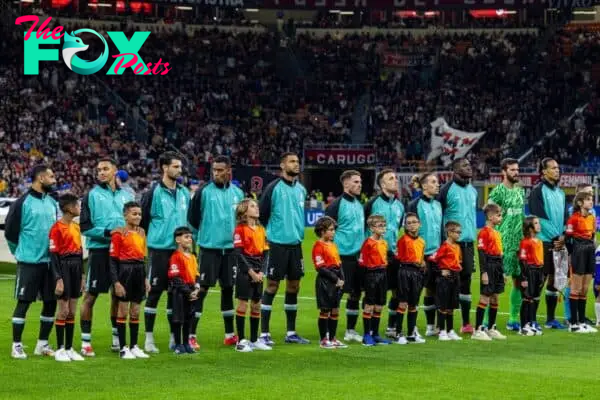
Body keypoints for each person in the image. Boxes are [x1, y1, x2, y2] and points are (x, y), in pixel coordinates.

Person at [80, 158, 135, 356]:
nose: (101, 172)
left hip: (123, 253)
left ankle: (116, 339)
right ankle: (86, 342)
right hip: (100, 251)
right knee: (90, 296)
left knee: (118, 295)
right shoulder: (91, 196)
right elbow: (85, 227)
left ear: (115, 171)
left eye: (105, 169)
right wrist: (108, 232)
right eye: (98, 169)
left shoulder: (127, 195)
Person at [188, 155, 244, 346]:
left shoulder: (238, 193)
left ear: (229, 170)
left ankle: (230, 335)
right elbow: (193, 220)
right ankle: (191, 335)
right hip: (209, 249)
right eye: (214, 170)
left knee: (228, 289)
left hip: (230, 251)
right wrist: (193, 248)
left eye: (221, 170)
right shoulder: (203, 192)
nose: (217, 173)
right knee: (201, 290)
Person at [6, 165, 59, 359]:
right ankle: (17, 345)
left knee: (50, 302)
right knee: (24, 302)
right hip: (29, 262)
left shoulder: (53, 203)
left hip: (50, 263)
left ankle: (42, 344)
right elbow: (11, 233)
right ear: (41, 178)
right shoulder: (22, 202)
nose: (54, 180)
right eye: (51, 176)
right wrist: (21, 254)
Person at [141, 151, 191, 353]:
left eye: (180, 167)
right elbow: (143, 222)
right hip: (159, 251)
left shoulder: (185, 193)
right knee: (154, 294)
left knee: (177, 295)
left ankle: (174, 337)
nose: (179, 170)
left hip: (179, 253)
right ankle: (149, 339)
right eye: (176, 166)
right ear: (164, 167)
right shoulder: (152, 193)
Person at [259, 153, 309, 345]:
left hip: (295, 246)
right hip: (277, 245)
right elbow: (262, 215)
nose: (296, 164)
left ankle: (291, 333)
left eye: (297, 161)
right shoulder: (273, 188)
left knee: (294, 286)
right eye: (292, 161)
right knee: (272, 286)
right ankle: (264, 333)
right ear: (282, 165)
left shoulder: (301, 190)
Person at [438, 158, 478, 334]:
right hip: (451, 245)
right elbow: (439, 217)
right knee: (448, 283)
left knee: (466, 282)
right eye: (464, 165)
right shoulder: (446, 190)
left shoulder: (473, 190)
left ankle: (466, 323)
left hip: (468, 244)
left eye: (469, 165)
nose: (469, 167)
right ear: (454, 169)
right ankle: (442, 325)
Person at [364, 169, 405, 339]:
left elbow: (398, 229)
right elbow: (363, 229)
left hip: (393, 255)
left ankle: (390, 327)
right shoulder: (372, 204)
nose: (395, 181)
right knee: (372, 294)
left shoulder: (400, 206)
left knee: (396, 292)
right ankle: (367, 331)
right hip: (375, 257)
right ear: (382, 184)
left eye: (396, 178)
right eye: (391, 178)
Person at [324, 170, 364, 343]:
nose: (359, 184)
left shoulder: (359, 204)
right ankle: (326, 331)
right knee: (335, 295)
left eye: (360, 181)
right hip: (341, 257)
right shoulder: (336, 205)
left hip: (358, 257)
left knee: (355, 294)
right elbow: (324, 232)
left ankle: (350, 330)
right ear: (346, 184)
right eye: (355, 182)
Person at [528, 158, 568, 330]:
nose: (557, 171)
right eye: (553, 168)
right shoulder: (537, 191)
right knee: (539, 280)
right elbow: (539, 218)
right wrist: (556, 237)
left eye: (558, 168)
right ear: (543, 171)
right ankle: (531, 319)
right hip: (543, 242)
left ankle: (551, 319)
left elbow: (566, 217)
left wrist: (564, 235)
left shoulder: (561, 193)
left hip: (558, 242)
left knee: (554, 281)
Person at [109, 202, 151, 359]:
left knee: (135, 311)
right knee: (123, 310)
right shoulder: (119, 233)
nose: (138, 217)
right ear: (125, 215)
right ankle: (123, 348)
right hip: (124, 271)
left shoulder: (142, 232)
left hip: (139, 271)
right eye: (134, 214)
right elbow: (112, 260)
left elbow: (144, 257)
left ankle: (134, 346)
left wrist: (146, 278)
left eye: (139, 214)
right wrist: (116, 282)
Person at [487, 158, 524, 332]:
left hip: (519, 243)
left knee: (518, 281)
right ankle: (487, 321)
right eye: (512, 170)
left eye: (517, 169)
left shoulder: (520, 191)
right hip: (501, 244)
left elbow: (521, 216)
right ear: (504, 171)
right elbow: (489, 215)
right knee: (495, 283)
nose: (516, 172)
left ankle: (513, 319)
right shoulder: (497, 193)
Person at [50, 193, 86, 362]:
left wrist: (83, 275)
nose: (80, 208)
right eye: (78, 205)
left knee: (72, 311)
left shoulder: (76, 227)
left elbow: (79, 253)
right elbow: (53, 256)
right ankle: (59, 349)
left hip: (76, 268)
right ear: (69, 208)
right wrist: (58, 278)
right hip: (63, 267)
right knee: (63, 310)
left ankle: (70, 348)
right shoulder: (56, 228)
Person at [233, 199, 272, 352]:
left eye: (256, 206)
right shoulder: (240, 230)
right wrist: (251, 272)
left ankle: (255, 340)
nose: (257, 208)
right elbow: (238, 253)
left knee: (256, 304)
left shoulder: (261, 229)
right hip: (245, 269)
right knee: (243, 303)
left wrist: (261, 271)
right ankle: (241, 341)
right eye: (253, 206)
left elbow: (266, 252)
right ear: (244, 211)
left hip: (258, 268)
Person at [408, 172, 442, 337]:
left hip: (437, 256)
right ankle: (411, 328)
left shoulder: (438, 205)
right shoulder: (414, 204)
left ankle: (430, 327)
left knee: (433, 291)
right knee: (415, 292)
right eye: (434, 182)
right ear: (424, 186)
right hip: (420, 256)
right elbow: (410, 232)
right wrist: (417, 256)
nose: (437, 185)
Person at [472, 204, 507, 341]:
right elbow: (482, 254)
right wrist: (484, 272)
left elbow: (500, 255)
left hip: (497, 266)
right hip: (489, 266)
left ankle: (491, 328)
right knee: (484, 297)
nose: (501, 217)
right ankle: (478, 329)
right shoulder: (483, 232)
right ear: (491, 216)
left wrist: (502, 272)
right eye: (499, 215)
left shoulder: (497, 233)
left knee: (495, 297)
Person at [312, 216, 347, 349]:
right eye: (331, 230)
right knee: (325, 310)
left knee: (335, 310)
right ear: (322, 231)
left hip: (337, 281)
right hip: (325, 282)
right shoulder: (318, 246)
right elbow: (320, 267)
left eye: (334, 230)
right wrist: (336, 279)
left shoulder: (333, 245)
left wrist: (342, 278)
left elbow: (339, 263)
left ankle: (332, 338)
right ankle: (323, 340)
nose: (333, 232)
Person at [565, 191, 597, 333]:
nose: (591, 202)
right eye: (588, 200)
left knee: (585, 289)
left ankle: (582, 322)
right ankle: (573, 324)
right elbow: (567, 239)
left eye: (592, 200)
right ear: (580, 203)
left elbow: (593, 235)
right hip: (578, 251)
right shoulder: (573, 219)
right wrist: (572, 255)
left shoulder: (592, 218)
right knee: (576, 288)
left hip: (590, 250)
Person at [358, 214, 392, 346]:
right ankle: (366, 335)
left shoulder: (384, 242)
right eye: (379, 226)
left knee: (379, 305)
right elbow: (362, 263)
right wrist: (363, 283)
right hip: (371, 275)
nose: (383, 228)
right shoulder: (368, 243)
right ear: (372, 228)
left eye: (384, 225)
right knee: (369, 305)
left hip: (382, 274)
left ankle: (375, 333)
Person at [394, 212, 426, 344]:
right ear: (405, 227)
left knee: (414, 304)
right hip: (405, 272)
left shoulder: (422, 241)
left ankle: (411, 333)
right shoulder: (403, 241)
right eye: (409, 223)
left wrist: (422, 264)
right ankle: (398, 333)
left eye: (414, 222)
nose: (412, 225)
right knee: (403, 303)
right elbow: (399, 258)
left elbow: (421, 257)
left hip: (417, 273)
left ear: (420, 224)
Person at [168, 227, 200, 354]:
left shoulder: (192, 256)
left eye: (190, 237)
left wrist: (196, 288)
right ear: (178, 240)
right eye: (186, 237)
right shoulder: (176, 257)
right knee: (178, 318)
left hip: (191, 290)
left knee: (188, 318)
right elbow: (175, 277)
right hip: (180, 291)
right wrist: (188, 292)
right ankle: (177, 344)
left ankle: (186, 343)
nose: (189, 239)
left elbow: (196, 274)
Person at [430, 221, 463, 342]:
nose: (459, 234)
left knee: (451, 306)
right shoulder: (444, 247)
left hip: (455, 278)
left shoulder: (457, 247)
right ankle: (442, 331)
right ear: (449, 232)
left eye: (460, 232)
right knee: (443, 305)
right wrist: (440, 272)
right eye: (457, 232)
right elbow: (433, 261)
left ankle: (450, 330)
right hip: (444, 280)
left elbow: (458, 261)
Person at [518, 216, 545, 336]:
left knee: (532, 298)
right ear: (529, 227)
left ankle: (530, 323)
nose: (539, 225)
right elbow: (522, 260)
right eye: (536, 223)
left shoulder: (539, 241)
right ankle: (523, 326)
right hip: (528, 271)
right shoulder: (525, 242)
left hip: (537, 271)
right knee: (526, 298)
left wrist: (541, 275)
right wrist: (524, 277)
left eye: (538, 223)